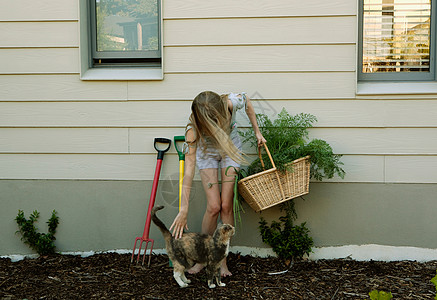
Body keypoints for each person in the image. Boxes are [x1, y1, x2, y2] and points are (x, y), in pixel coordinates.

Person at [169, 91, 266, 277]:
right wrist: (183, 209)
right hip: (208, 152)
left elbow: (248, 102)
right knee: (213, 207)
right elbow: (188, 172)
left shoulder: (231, 103)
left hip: (230, 149)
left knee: (225, 205)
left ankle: (222, 262)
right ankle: (202, 259)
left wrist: (257, 131)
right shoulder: (193, 130)